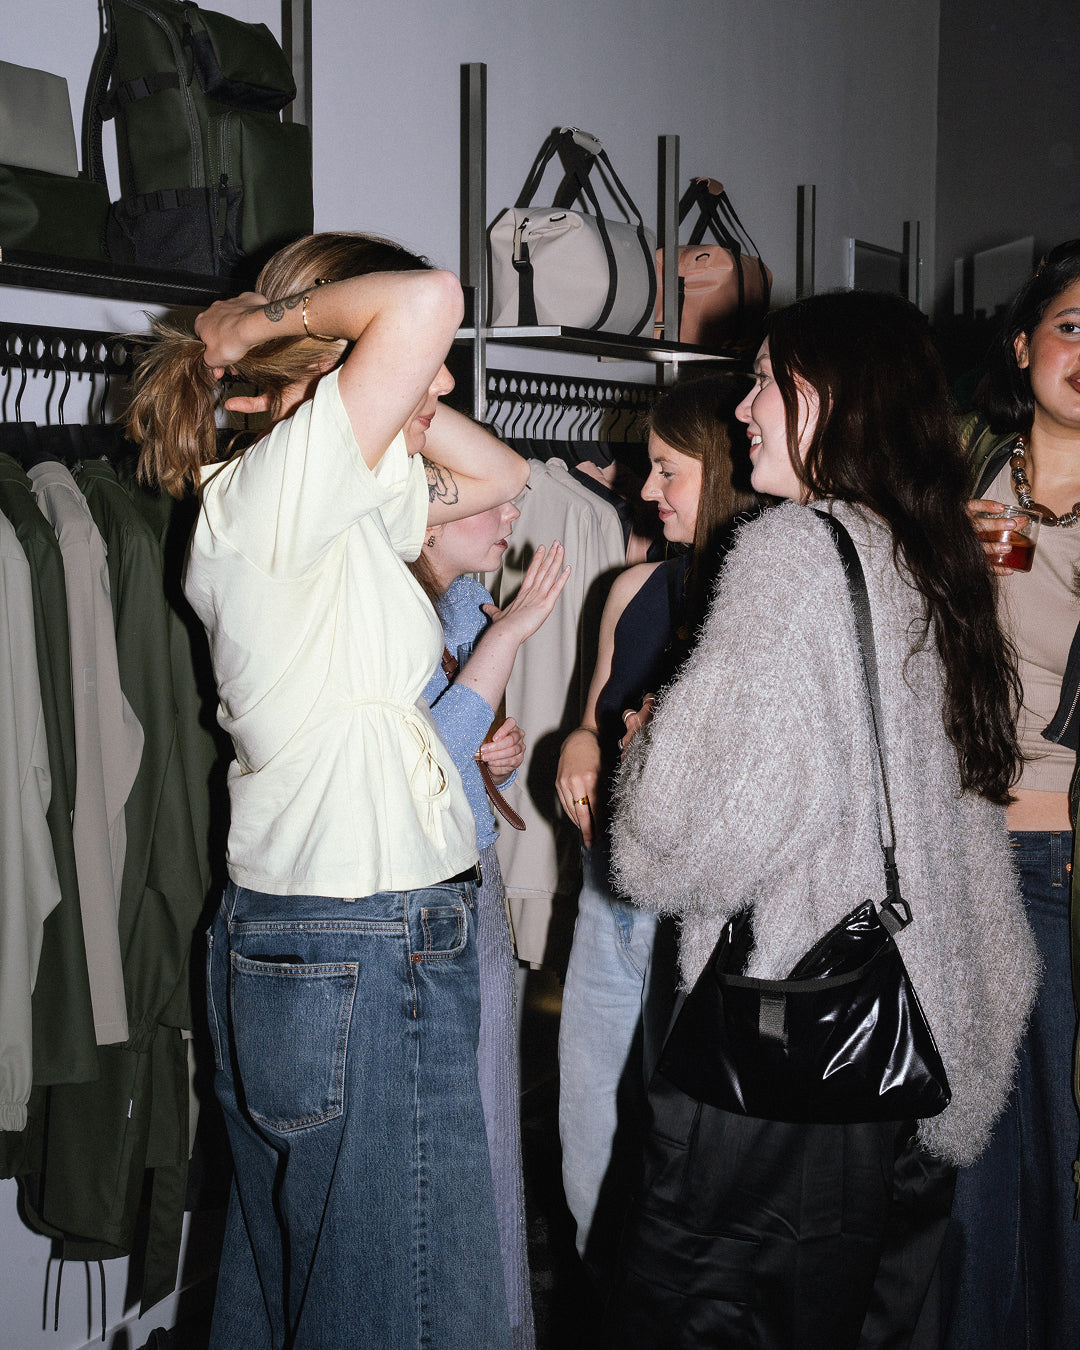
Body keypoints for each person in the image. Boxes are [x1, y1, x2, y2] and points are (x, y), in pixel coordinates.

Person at [606, 290, 1040, 1349]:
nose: (742, 408)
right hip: (910, 1032)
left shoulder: (793, 554)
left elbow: (692, 843)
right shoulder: (928, 552)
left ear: (827, 398)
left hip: (790, 1050)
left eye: (764, 381)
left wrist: (656, 748)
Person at [126, 232, 530, 1350]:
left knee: (313, 1296)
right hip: (363, 937)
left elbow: (501, 480)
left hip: (338, 936)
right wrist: (261, 327)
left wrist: (395, 396)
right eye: (424, 371)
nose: (439, 386)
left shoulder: (326, 505)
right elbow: (429, 298)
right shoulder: (276, 498)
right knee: (405, 1314)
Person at [554, 376, 755, 1275]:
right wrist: (578, 747)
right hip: (612, 890)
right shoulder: (635, 586)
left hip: (701, 903)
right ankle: (600, 1287)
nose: (646, 490)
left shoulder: (762, 600)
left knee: (685, 1127)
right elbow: (592, 720)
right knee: (590, 1109)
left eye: (669, 471)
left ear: (721, 472)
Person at [946, 239, 1080, 1349]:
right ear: (1025, 342)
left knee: (1063, 1144)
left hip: (1061, 860)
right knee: (968, 1149)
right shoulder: (964, 463)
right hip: (956, 847)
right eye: (1073, 327)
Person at [409, 501, 570, 1350]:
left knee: (491, 1124)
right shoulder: (389, 606)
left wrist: (490, 755)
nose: (512, 513)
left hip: (472, 881)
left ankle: (499, 1327)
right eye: (487, 502)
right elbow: (407, 773)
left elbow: (451, 752)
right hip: (418, 904)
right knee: (441, 1147)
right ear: (428, 519)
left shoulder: (470, 601)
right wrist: (504, 641)